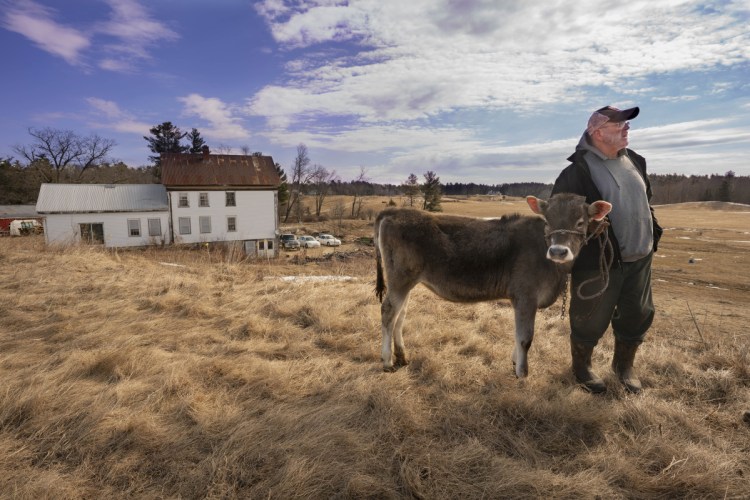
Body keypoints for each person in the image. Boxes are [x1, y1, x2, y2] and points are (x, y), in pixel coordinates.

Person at [551, 105, 662, 394]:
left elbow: (643, 201)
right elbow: (559, 221)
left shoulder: (636, 160)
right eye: (619, 125)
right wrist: (589, 227)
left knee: (637, 314)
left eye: (626, 124)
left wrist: (654, 230)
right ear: (598, 132)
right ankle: (582, 368)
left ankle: (623, 367)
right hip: (599, 261)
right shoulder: (575, 172)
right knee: (589, 317)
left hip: (640, 257)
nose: (627, 128)